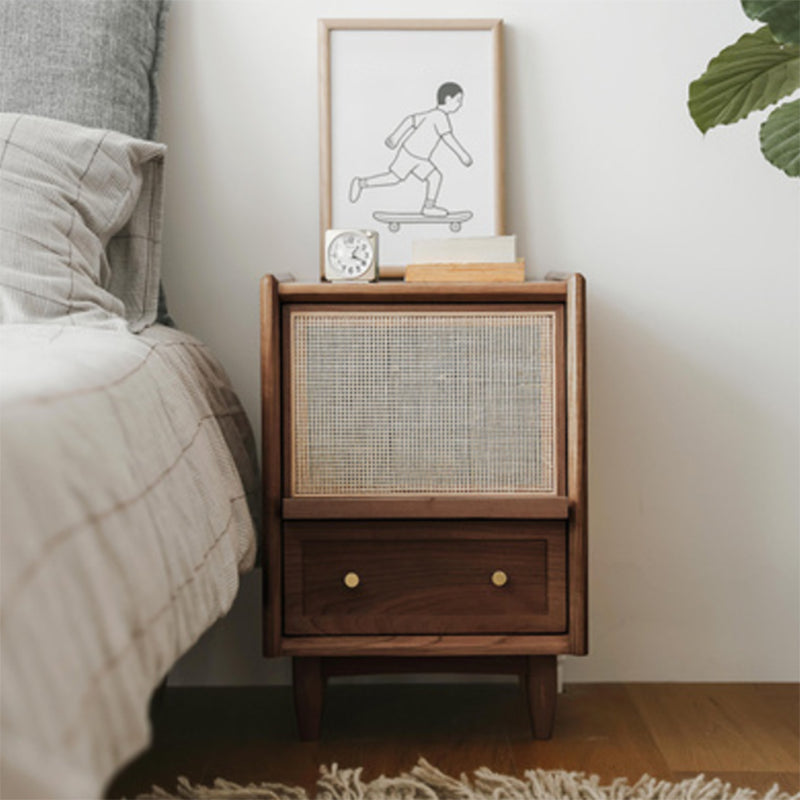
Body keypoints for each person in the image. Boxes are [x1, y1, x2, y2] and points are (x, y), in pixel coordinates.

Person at [349, 82, 472, 217]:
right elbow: (448, 138)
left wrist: (395, 138)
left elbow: (410, 120)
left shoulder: (433, 114)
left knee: (432, 177)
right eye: (458, 100)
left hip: (419, 158)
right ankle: (361, 183)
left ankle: (428, 207)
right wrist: (463, 155)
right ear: (448, 99)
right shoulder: (439, 117)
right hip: (411, 155)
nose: (460, 104)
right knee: (396, 178)